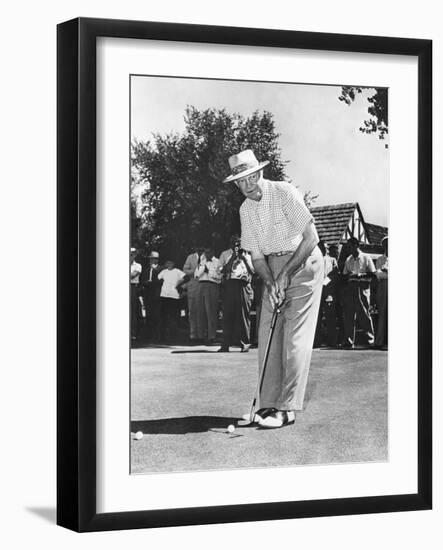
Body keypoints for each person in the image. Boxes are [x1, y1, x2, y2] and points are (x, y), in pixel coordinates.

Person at [223, 149, 324, 429]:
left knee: (294, 338)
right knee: (267, 334)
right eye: (240, 181)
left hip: (304, 263)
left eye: (250, 178)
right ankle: (266, 405)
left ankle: (286, 409)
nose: (246, 186)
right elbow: (256, 258)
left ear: (259, 173)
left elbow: (311, 238)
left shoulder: (284, 192)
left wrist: (285, 275)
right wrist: (271, 281)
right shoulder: (245, 209)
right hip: (272, 266)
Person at [218, 235, 254, 353]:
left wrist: (243, 259)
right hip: (229, 285)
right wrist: (233, 257)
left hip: (244, 285)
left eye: (239, 243)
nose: (237, 245)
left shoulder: (249, 253)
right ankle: (225, 344)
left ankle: (245, 343)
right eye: (234, 243)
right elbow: (222, 270)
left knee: (243, 315)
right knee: (227, 315)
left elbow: (253, 271)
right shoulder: (225, 254)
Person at [342, 237, 376, 348]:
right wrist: (349, 276)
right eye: (348, 247)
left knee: (365, 313)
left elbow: (372, 273)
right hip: (351, 287)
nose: (349, 249)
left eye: (351, 246)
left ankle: (370, 340)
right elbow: (344, 274)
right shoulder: (349, 259)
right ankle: (349, 341)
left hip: (363, 287)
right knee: (349, 315)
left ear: (356, 245)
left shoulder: (366, 257)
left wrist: (360, 275)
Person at [194, 246, 222, 344]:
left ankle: (211, 336)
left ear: (213, 252)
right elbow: (196, 275)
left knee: (211, 311)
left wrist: (209, 272)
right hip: (201, 285)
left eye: (209, 252)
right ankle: (201, 336)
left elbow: (220, 277)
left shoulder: (218, 262)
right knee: (200, 311)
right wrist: (202, 270)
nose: (207, 254)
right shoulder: (202, 261)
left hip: (212, 285)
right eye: (205, 252)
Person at [314, 241, 340, 347]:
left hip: (329, 291)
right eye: (321, 247)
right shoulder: (315, 260)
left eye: (325, 248)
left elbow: (336, 273)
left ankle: (332, 341)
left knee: (330, 316)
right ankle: (317, 341)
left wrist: (326, 281)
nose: (324, 249)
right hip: (317, 291)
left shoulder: (332, 260)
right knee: (317, 316)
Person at [157, 260, 186, 343]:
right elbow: (158, 279)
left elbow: (186, 277)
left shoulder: (177, 271)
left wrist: (179, 284)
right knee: (164, 317)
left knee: (173, 317)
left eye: (170, 263)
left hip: (174, 296)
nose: (168, 264)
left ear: (173, 263)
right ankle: (163, 337)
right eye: (167, 263)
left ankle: (173, 337)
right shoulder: (164, 271)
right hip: (164, 295)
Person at [182, 246, 206, 342]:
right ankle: (193, 334)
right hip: (193, 284)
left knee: (203, 310)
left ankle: (202, 334)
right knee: (192, 310)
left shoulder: (208, 256)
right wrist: (195, 271)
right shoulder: (190, 257)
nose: (200, 249)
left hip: (204, 283)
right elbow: (185, 270)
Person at [140, 249, 162, 341]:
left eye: (155, 259)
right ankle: (149, 336)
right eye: (151, 259)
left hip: (157, 294)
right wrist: (146, 283)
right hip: (148, 295)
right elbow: (142, 281)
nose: (152, 260)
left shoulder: (161, 269)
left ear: (157, 260)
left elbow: (161, 281)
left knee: (157, 316)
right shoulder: (146, 270)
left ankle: (158, 336)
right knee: (149, 315)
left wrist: (155, 270)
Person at [375, 236, 388, 348]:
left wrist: (386, 271)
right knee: (382, 313)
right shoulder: (380, 259)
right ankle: (380, 341)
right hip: (383, 287)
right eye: (386, 244)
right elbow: (379, 275)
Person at [130, 247, 143, 341]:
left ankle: (133, 333)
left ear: (135, 255)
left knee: (132, 310)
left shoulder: (138, 265)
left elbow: (132, 276)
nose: (130, 256)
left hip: (132, 287)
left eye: (132, 254)